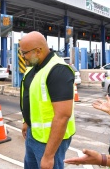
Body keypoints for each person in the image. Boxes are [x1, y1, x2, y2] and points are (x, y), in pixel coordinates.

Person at [19, 31, 76, 169]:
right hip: (34, 134)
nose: (22, 57)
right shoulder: (34, 69)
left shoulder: (58, 70)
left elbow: (62, 116)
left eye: (25, 52)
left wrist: (49, 155)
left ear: (38, 51)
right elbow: (31, 99)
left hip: (50, 141)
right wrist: (26, 121)